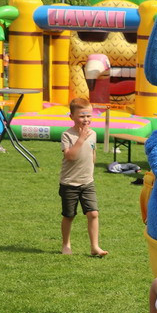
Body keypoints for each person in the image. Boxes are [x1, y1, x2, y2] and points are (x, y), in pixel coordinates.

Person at [59, 97, 108, 257]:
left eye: (88, 116)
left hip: (87, 182)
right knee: (69, 215)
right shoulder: (67, 135)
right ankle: (66, 244)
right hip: (69, 183)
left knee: (93, 213)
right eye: (81, 116)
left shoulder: (93, 134)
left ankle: (95, 247)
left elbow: (92, 153)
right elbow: (70, 156)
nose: (86, 119)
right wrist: (81, 139)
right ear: (72, 116)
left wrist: (91, 168)